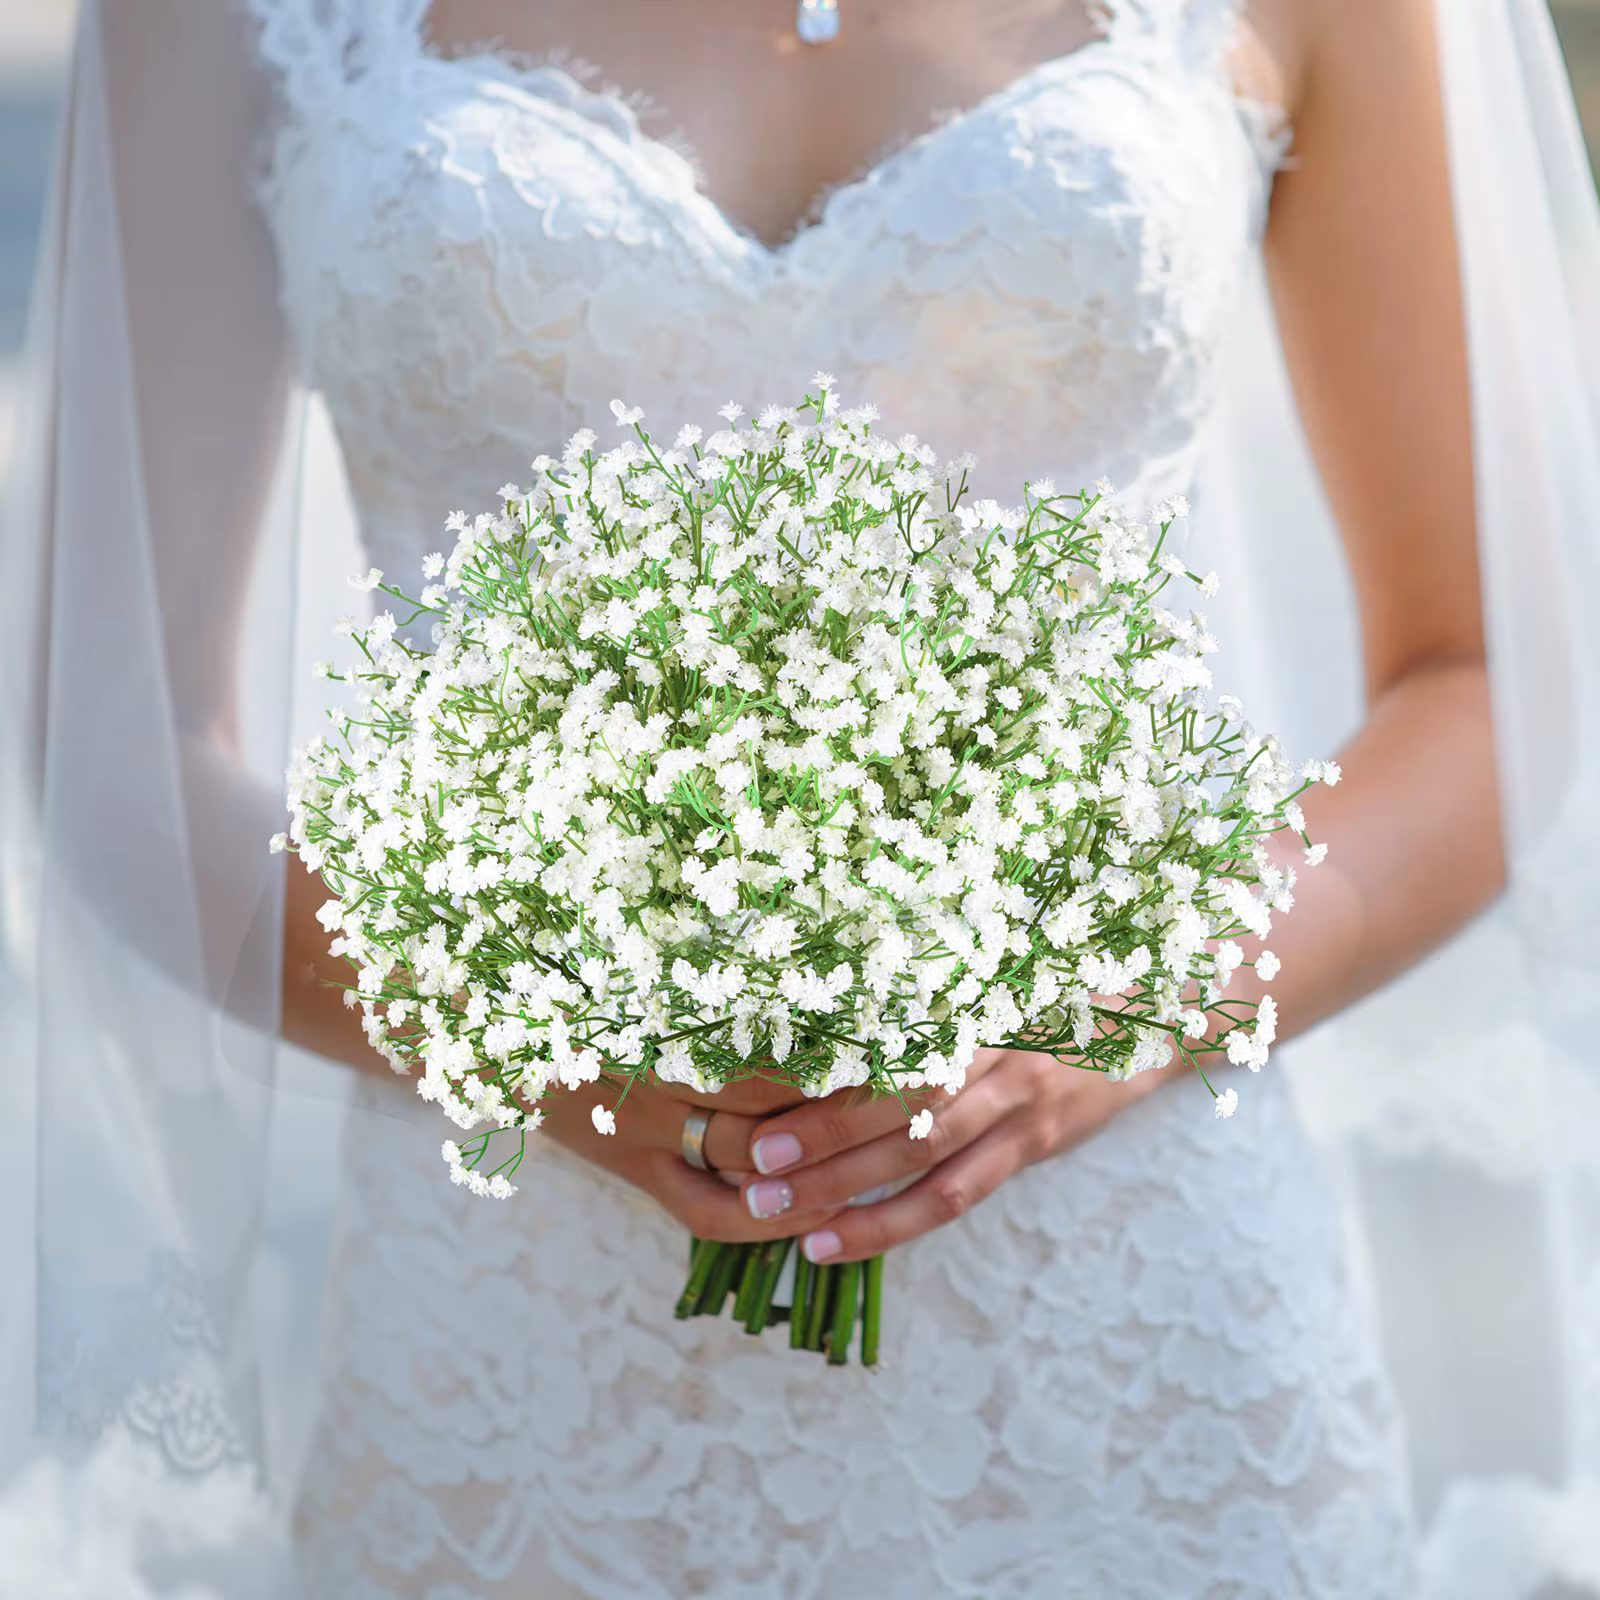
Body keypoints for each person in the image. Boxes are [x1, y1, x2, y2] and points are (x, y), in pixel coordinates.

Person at [3, 1, 1599, 1595]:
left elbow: (1484, 682)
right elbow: (121, 746)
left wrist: (1123, 1010)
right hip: (519, 1364)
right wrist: (520, 1037)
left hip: (1132, 1331)